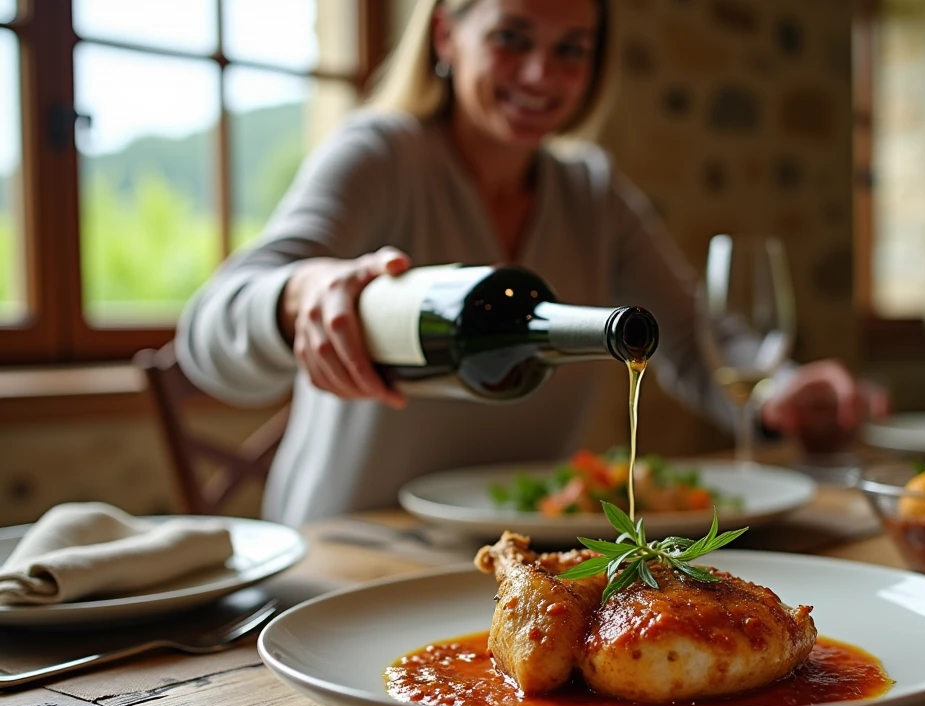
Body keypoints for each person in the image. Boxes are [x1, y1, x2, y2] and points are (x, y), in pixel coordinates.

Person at [177, 0, 885, 528]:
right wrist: (299, 294)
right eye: (511, 38)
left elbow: (696, 341)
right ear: (447, 35)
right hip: (352, 550)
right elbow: (207, 334)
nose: (543, 74)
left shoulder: (593, 192)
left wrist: (782, 391)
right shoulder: (381, 154)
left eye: (571, 49)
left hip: (517, 559)